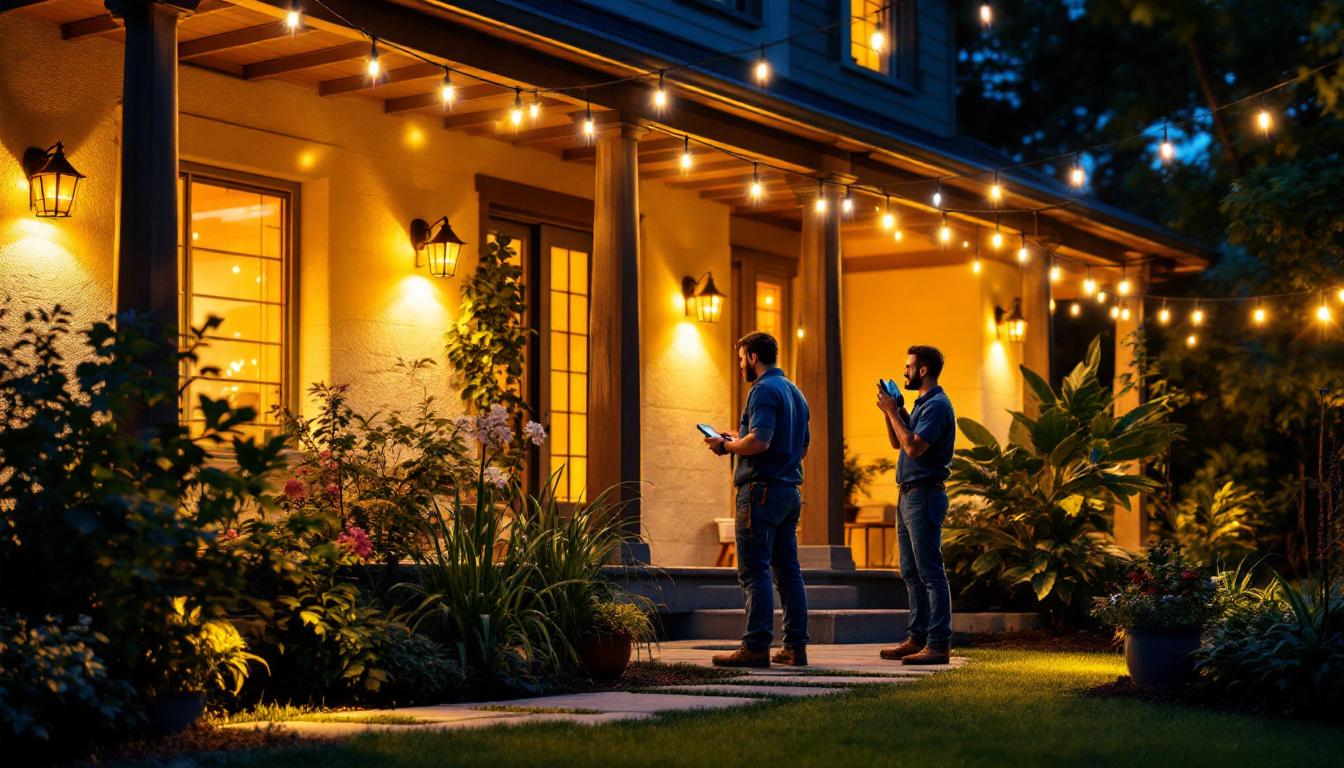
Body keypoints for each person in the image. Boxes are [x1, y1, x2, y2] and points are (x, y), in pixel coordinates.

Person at [702, 331, 810, 668]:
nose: (739, 366)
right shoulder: (795, 393)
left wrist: (726, 446)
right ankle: (795, 648)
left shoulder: (762, 390)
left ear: (752, 357)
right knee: (788, 572)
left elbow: (760, 442)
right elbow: (800, 446)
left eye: (740, 359)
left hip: (760, 493)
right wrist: (739, 438)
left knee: (755, 571)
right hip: (788, 492)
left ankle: (755, 646)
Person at [876, 345, 956, 665]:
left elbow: (912, 448)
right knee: (910, 571)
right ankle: (917, 637)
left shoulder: (937, 406)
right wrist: (891, 412)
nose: (905, 372)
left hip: (924, 495)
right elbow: (897, 441)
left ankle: (938, 643)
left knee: (930, 572)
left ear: (923, 370)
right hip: (908, 495)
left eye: (908, 367)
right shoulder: (922, 404)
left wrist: (894, 412)